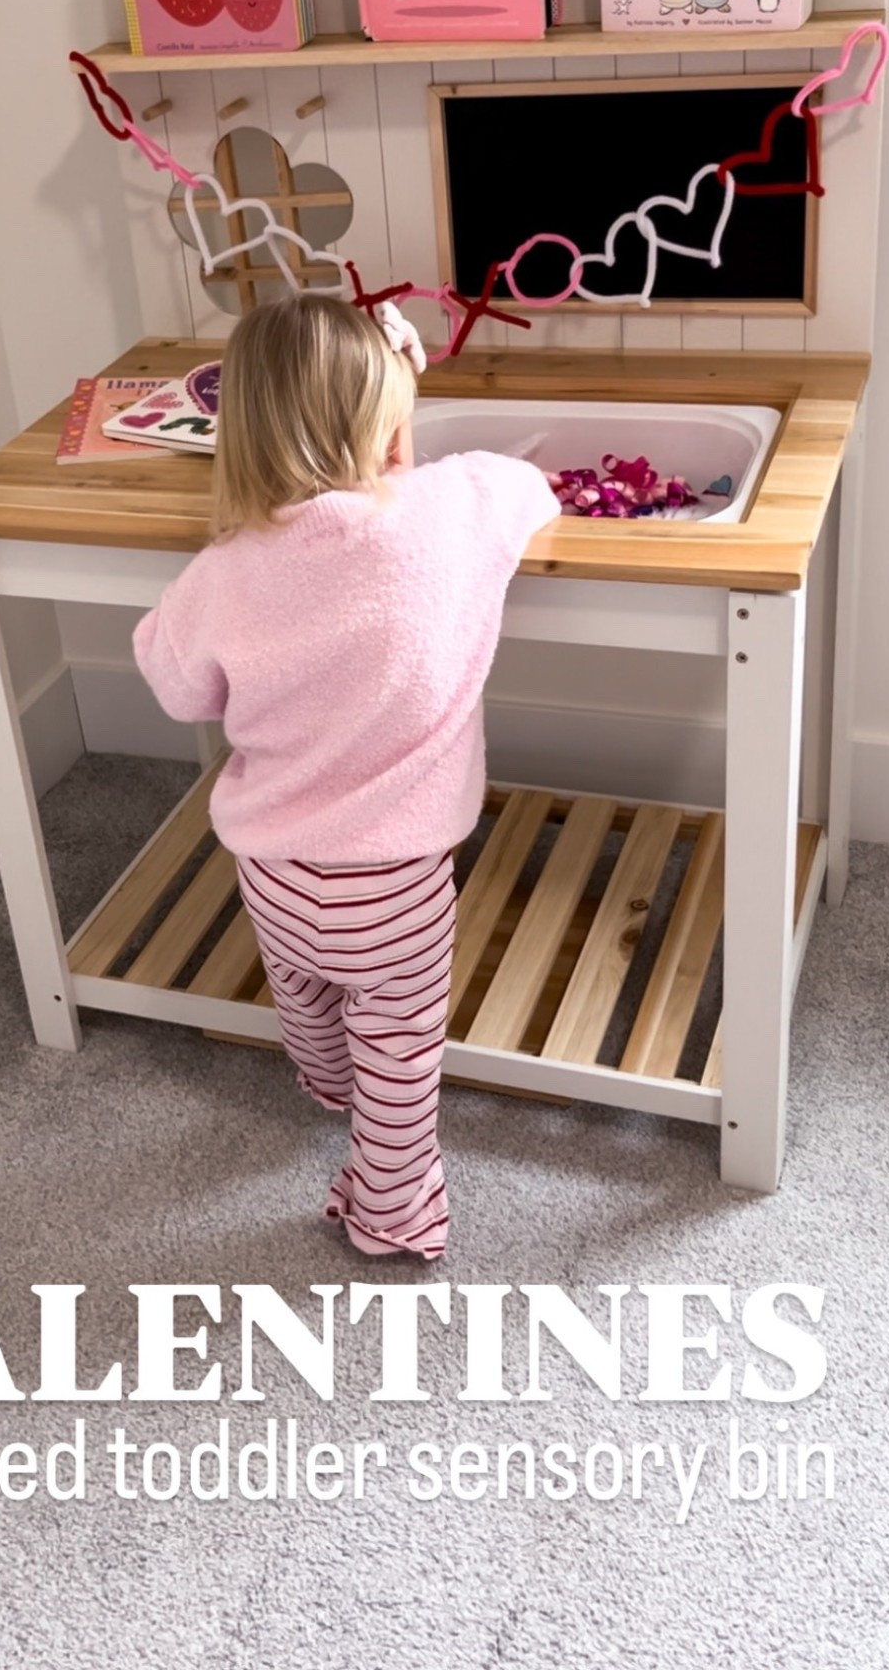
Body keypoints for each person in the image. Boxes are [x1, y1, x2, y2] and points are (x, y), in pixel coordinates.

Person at [132, 295, 560, 1259]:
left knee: (310, 1001)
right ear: (389, 421)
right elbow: (526, 485)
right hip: (396, 884)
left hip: (273, 874)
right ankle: (391, 1210)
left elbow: (174, 683)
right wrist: (408, 408)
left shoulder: (225, 568)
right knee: (401, 1057)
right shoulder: (449, 510)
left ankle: (327, 1085)